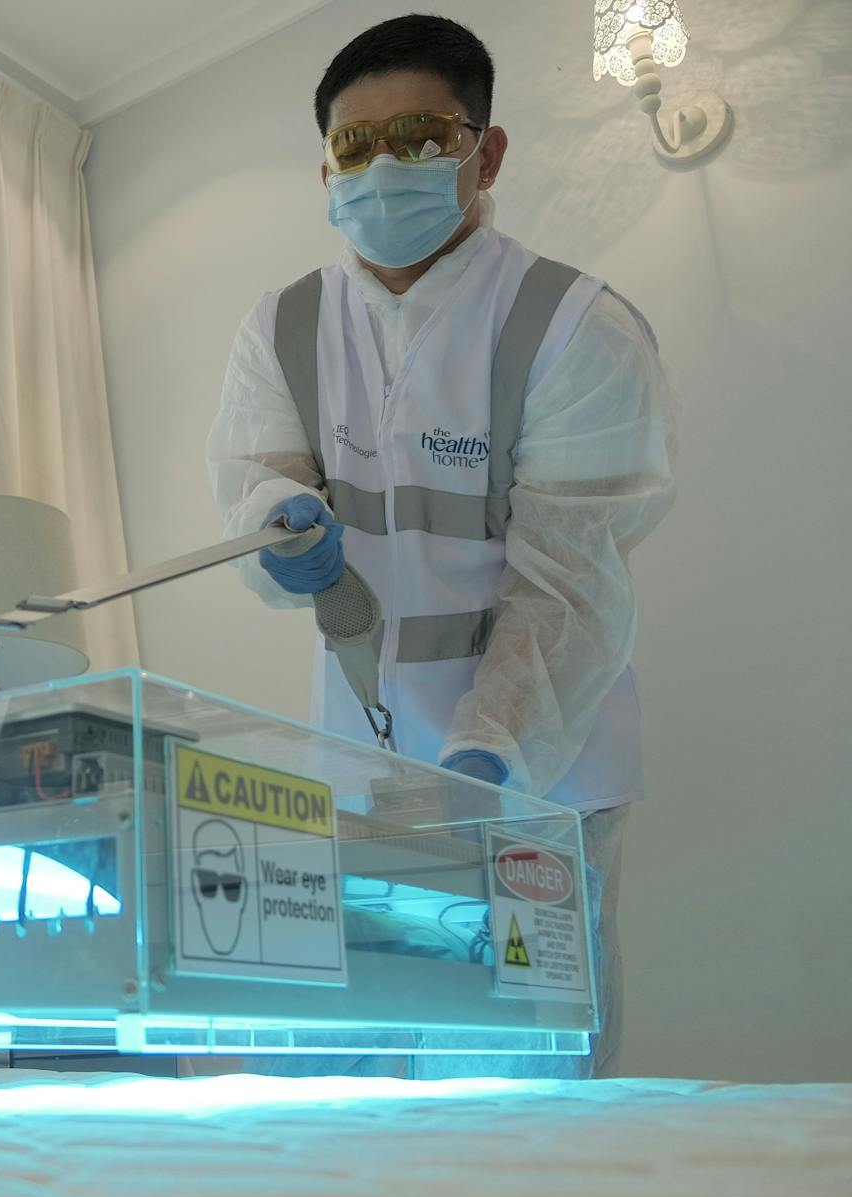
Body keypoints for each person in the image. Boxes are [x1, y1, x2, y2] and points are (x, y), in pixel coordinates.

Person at [207, 15, 676, 1078]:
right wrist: (273, 535)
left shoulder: (571, 325)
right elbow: (253, 482)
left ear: (485, 151)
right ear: (325, 168)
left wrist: (491, 753)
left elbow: (567, 580)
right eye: (355, 147)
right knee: (356, 1076)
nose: (384, 169)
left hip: (538, 771)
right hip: (362, 772)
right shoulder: (282, 327)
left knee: (522, 1080)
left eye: (418, 137)